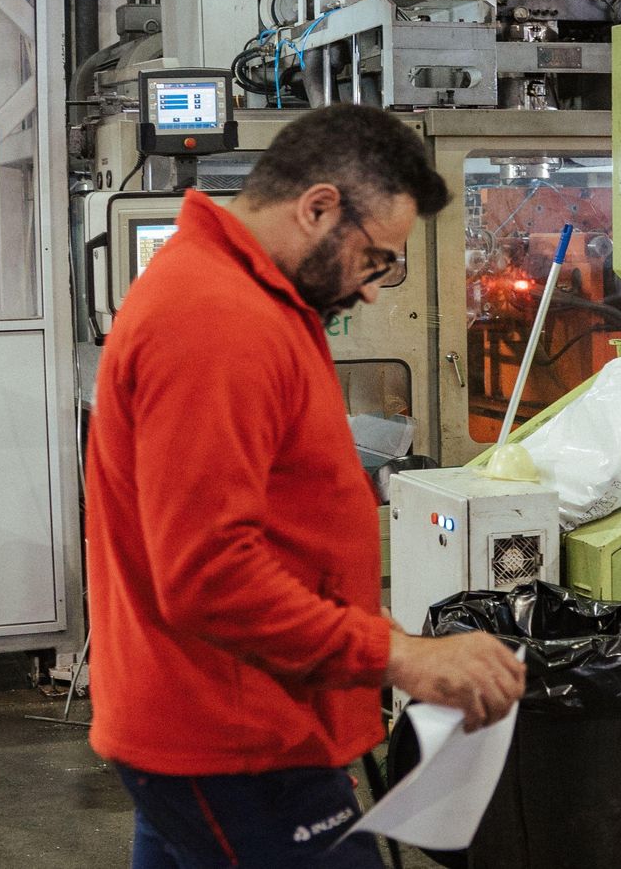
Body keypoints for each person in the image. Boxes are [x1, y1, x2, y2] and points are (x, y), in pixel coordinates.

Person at [85, 105, 527, 869]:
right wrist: (396, 656)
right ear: (318, 206)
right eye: (376, 260)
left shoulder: (255, 300)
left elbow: (267, 516)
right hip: (236, 739)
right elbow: (207, 575)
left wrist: (355, 606)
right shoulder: (216, 320)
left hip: (228, 714)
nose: (373, 292)